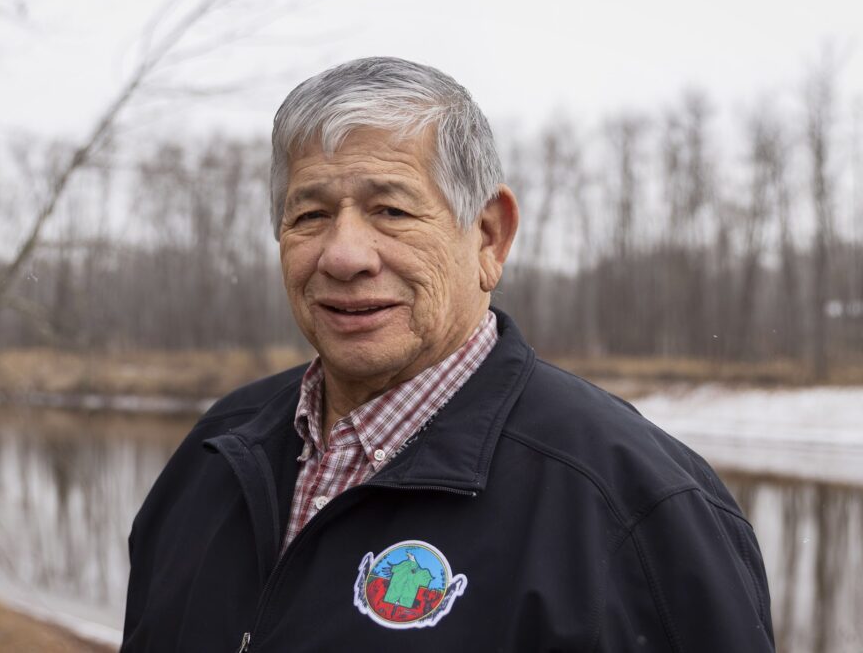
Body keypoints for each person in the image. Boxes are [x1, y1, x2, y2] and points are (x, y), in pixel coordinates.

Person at [120, 57, 775, 652]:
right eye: (310, 215)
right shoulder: (216, 453)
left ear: (489, 237)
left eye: (392, 211)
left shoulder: (633, 509)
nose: (344, 256)